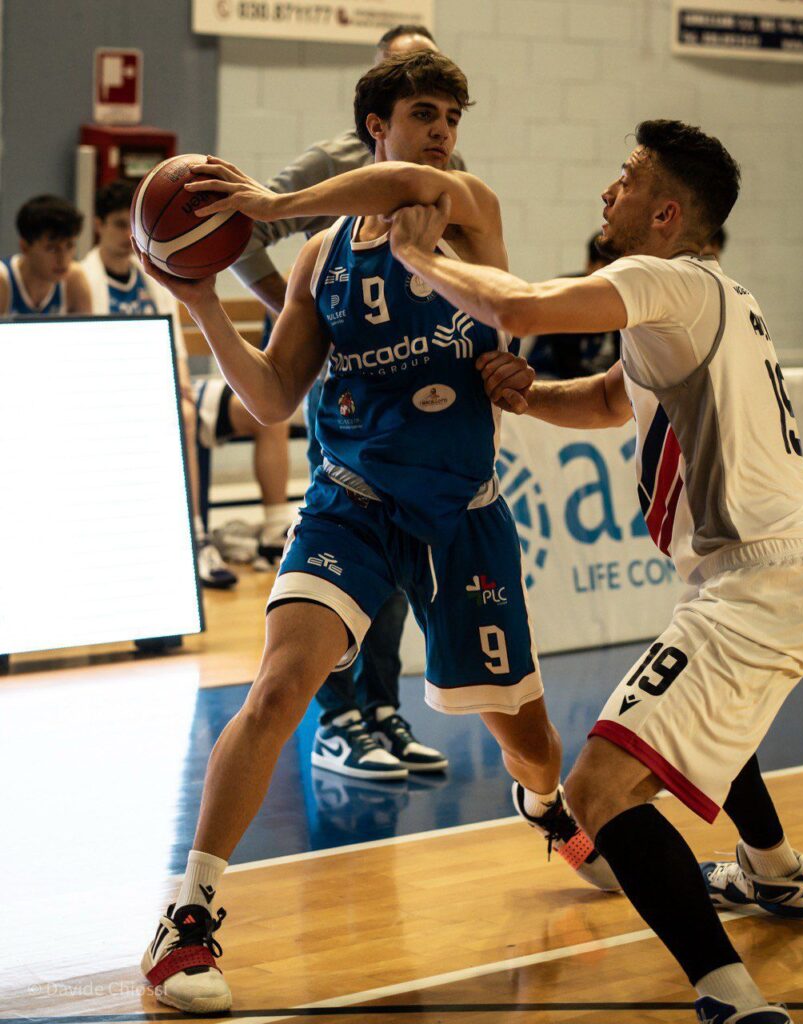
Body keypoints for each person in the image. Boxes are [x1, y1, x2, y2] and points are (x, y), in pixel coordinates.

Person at [135, 50, 617, 1014]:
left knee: (529, 742)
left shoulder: (467, 210)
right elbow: (273, 396)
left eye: (450, 117)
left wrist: (268, 204)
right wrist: (202, 304)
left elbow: (416, 189)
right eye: (423, 114)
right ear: (375, 126)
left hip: (462, 515)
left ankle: (541, 804)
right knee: (278, 687)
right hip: (351, 502)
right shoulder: (323, 258)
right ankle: (186, 917)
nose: (441, 131)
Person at [386, 119, 803, 1024]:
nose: (605, 192)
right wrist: (528, 395)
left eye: (625, 178)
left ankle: (732, 1000)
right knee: (690, 710)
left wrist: (416, 255)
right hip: (777, 568)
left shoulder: (664, 279)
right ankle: (774, 872)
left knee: (594, 790)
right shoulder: (710, 294)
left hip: (756, 583)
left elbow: (518, 308)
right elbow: (611, 400)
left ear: (665, 214)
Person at [232, 24, 459, 780]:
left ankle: (381, 708)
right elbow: (247, 234)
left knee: (392, 575)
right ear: (376, 103)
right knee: (335, 558)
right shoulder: (331, 164)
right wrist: (304, 320)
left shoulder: (449, 169)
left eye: (445, 105)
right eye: (411, 85)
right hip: (349, 402)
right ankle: (337, 719)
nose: (436, 121)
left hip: (419, 412)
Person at [81, 179, 237, 589]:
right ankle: (193, 533)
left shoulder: (152, 275)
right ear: (98, 226)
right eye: (118, 225)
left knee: (250, 410)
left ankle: (264, 528)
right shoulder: (84, 278)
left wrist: (180, 383)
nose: (125, 235)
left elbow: (176, 346)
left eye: (130, 226)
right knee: (183, 416)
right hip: (114, 395)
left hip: (165, 385)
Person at [526, 233, 618, 379]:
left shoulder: (619, 295)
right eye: (607, 268)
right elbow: (567, 365)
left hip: (589, 376)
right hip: (548, 373)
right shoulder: (565, 293)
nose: (613, 277)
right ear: (589, 265)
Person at [0, 195, 91, 316]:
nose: (63, 259)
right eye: (52, 249)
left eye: (69, 246)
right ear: (25, 247)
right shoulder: (3, 281)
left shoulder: (74, 279)